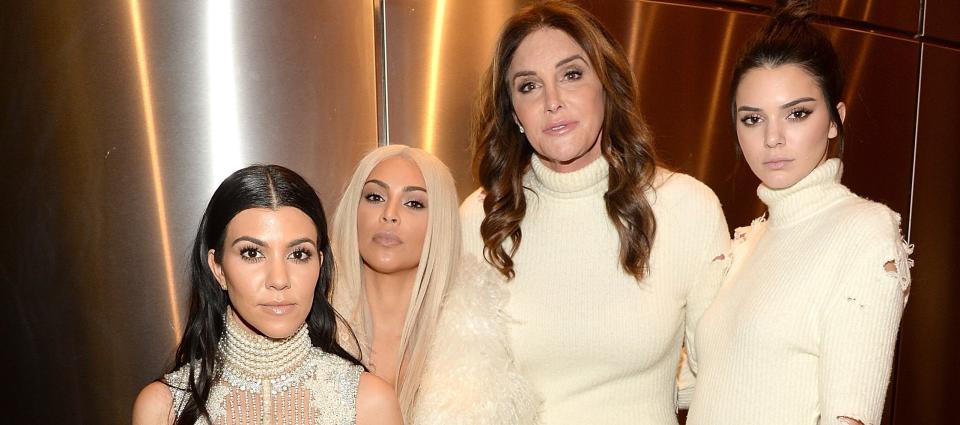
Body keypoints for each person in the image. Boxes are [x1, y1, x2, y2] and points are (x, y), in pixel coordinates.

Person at [460, 1, 730, 423]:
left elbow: (719, 377)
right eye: (528, 86)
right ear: (514, 113)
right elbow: (461, 386)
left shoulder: (686, 208)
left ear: (606, 85)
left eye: (571, 74)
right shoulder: (479, 219)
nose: (552, 101)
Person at [686, 2, 913, 424]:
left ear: (834, 120)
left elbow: (851, 416)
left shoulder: (864, 231)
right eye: (752, 119)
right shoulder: (744, 244)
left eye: (797, 113)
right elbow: (699, 388)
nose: (773, 137)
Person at [132, 165, 402, 425]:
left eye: (298, 255)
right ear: (218, 268)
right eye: (252, 253)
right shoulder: (164, 406)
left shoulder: (369, 402)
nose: (279, 280)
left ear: (319, 264)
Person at [331, 145, 538, 424]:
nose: (389, 214)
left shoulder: (478, 346)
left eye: (414, 203)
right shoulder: (311, 327)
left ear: (440, 222)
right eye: (375, 196)